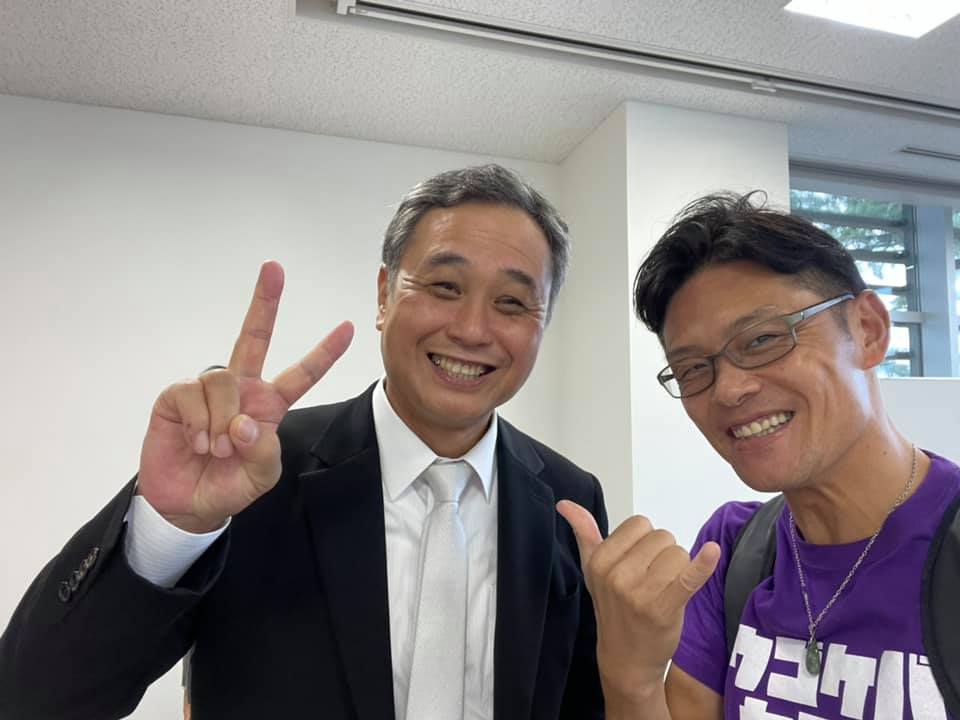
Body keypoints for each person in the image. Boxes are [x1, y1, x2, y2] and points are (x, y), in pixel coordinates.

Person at [0, 164, 608, 720]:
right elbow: (35, 698)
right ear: (384, 295)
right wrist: (171, 527)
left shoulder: (570, 500)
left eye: (512, 302)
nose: (473, 329)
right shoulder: (253, 469)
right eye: (445, 287)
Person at [557, 192, 960, 718]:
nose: (727, 390)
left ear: (868, 330)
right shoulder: (730, 551)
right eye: (693, 369)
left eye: (763, 339)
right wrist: (629, 672)